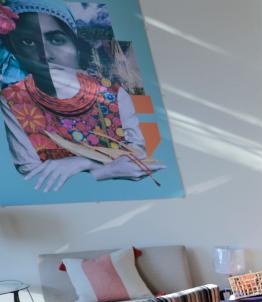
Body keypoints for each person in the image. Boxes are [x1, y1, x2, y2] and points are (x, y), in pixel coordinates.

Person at [0, 0, 161, 192]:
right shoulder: (14, 100)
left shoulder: (112, 93)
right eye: (28, 42)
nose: (46, 54)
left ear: (75, 46)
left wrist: (81, 163)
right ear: (14, 50)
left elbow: (138, 155)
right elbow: (31, 172)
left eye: (56, 39)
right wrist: (106, 168)